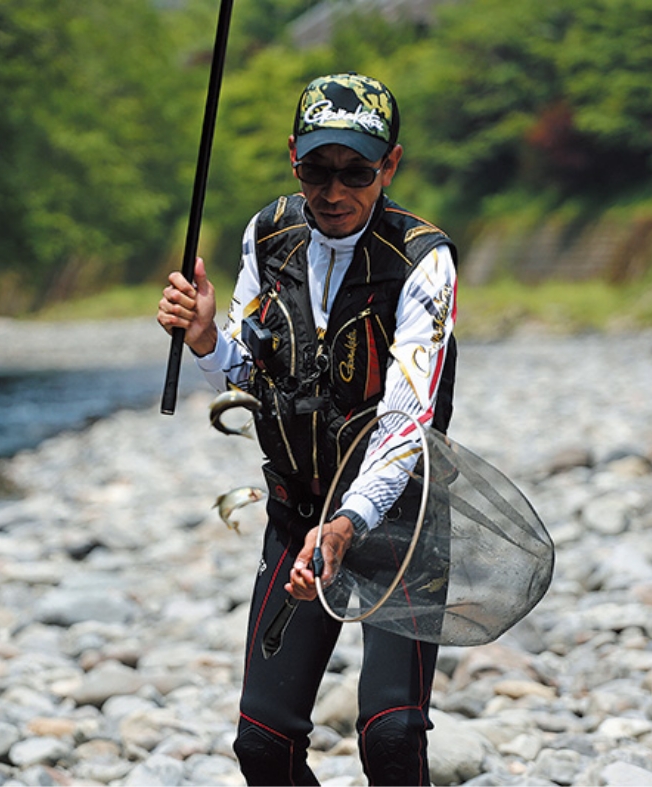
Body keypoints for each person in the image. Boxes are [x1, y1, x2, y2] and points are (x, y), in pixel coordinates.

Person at [157, 73, 458, 786]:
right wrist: (205, 340)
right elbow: (246, 381)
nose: (334, 190)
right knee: (262, 745)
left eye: (356, 170)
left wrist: (348, 522)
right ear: (294, 156)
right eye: (317, 168)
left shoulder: (425, 260)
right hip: (297, 511)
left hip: (399, 523)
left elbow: (407, 418)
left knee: (389, 734)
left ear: (390, 165)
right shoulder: (268, 236)